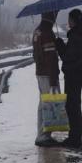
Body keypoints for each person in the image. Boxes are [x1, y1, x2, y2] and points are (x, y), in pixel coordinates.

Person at [55, 9, 82, 149]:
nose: (68, 22)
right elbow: (70, 56)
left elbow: (77, 58)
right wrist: (61, 45)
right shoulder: (78, 35)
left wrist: (60, 46)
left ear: (74, 21)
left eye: (70, 19)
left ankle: (75, 139)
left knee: (73, 107)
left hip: (74, 77)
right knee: (72, 106)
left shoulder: (77, 36)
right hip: (74, 76)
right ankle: (74, 137)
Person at [32, 10, 60, 146]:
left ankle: (40, 134)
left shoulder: (37, 31)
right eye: (55, 15)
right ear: (51, 17)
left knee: (42, 103)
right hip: (48, 73)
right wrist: (54, 78)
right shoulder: (48, 33)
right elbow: (51, 59)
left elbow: (35, 54)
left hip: (40, 71)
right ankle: (44, 136)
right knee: (48, 104)